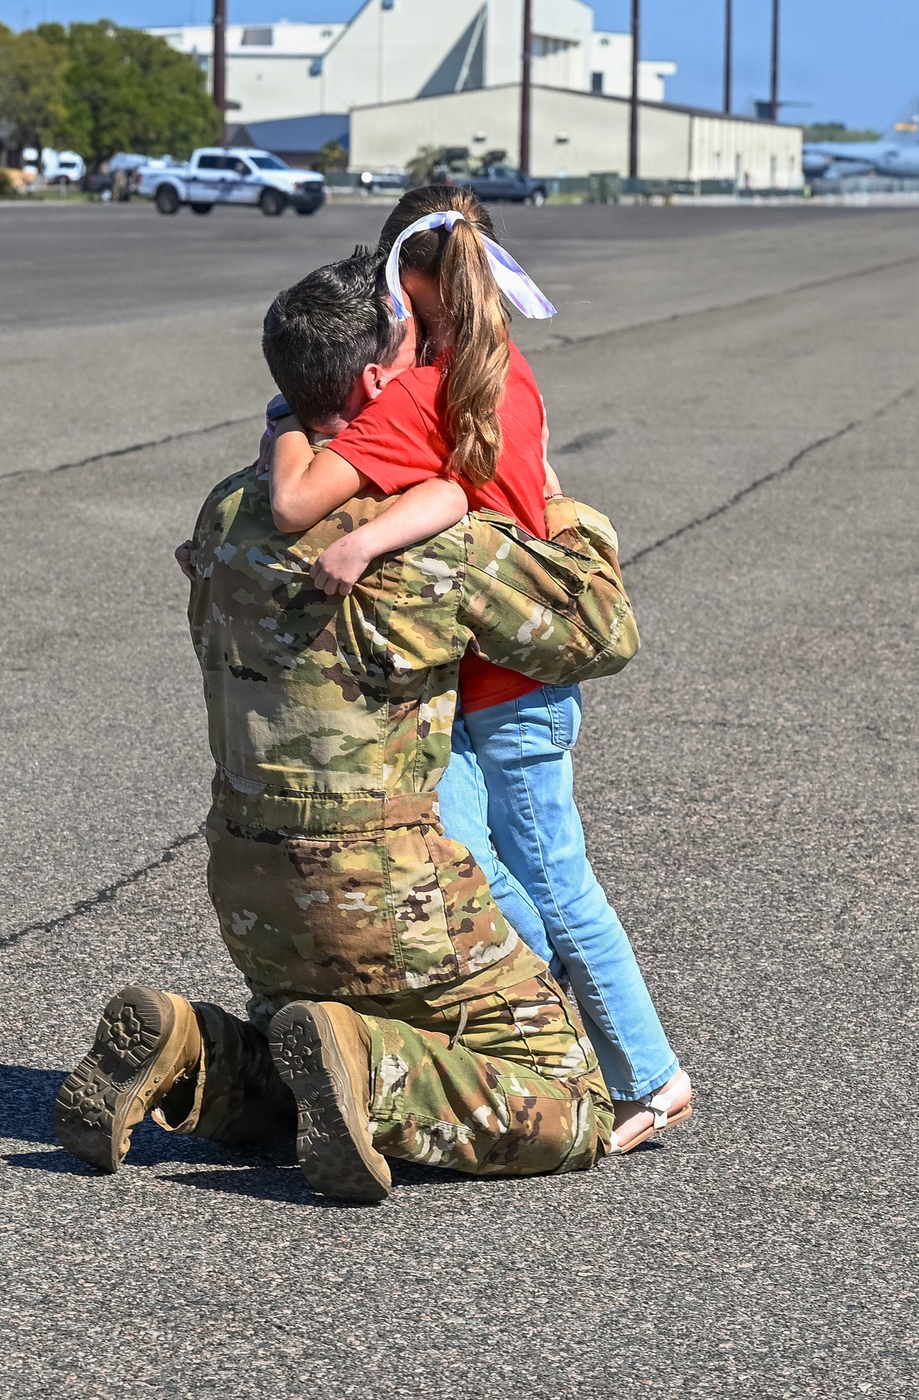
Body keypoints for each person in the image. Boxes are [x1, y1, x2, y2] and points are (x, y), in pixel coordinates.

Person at [53, 252, 640, 1202]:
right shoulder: (432, 536)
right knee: (570, 1099)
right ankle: (374, 1065)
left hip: (253, 891)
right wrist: (556, 504)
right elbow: (602, 631)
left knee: (308, 1046)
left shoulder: (229, 511)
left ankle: (197, 1049)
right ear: (376, 383)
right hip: (392, 897)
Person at [269, 187, 691, 1153]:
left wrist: (288, 424)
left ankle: (648, 1075)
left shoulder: (420, 397)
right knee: (464, 853)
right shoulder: (503, 376)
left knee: (551, 880)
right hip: (502, 682)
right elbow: (471, 488)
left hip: (510, 696)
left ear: (405, 295)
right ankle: (536, 1025)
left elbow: (299, 502)